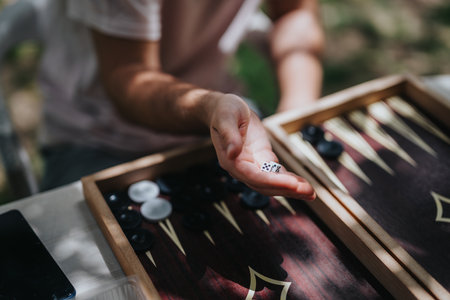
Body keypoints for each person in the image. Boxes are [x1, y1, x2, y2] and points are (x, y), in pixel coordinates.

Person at [35, 0, 323, 200]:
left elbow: (293, 12)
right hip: (99, 139)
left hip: (218, 113)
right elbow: (130, 80)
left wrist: (296, 110)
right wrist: (208, 108)